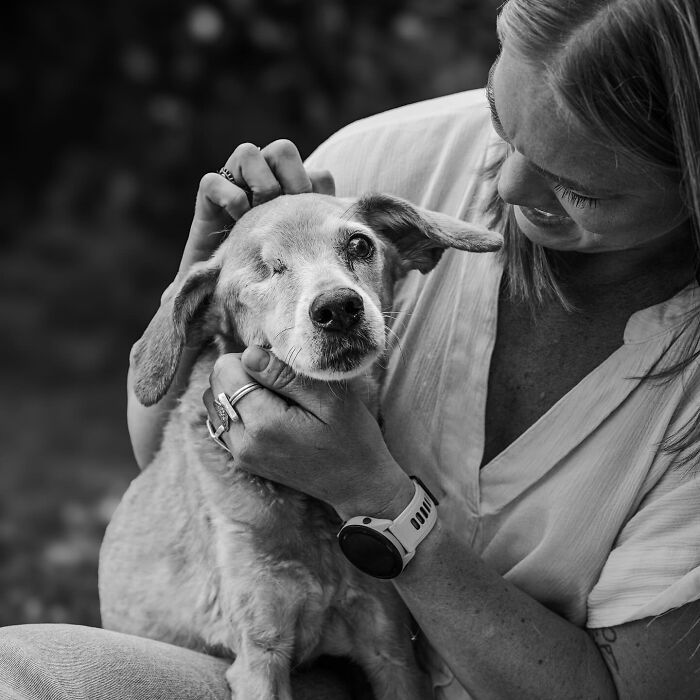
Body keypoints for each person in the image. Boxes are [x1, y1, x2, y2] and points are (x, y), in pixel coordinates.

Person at [2, 0, 700, 698]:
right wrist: (207, 285)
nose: (509, 186)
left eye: (579, 189)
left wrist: (375, 497)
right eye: (501, 119)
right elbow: (159, 453)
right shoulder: (380, 159)